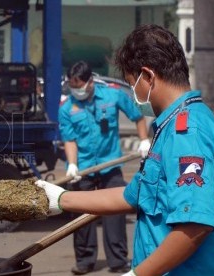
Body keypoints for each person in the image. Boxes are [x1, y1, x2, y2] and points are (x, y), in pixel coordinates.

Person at [37, 24, 214, 276]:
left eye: (132, 84)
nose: (133, 95)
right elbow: (131, 196)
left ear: (148, 76)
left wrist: (137, 274)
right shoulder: (171, 126)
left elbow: (194, 225)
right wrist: (60, 198)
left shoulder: (186, 131)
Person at [58, 60, 151, 275]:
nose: (76, 90)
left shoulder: (113, 95)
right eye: (72, 86)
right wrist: (72, 164)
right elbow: (69, 139)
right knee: (81, 217)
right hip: (84, 168)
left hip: (111, 166)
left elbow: (137, 115)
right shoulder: (67, 107)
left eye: (79, 85)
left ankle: (118, 261)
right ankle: (84, 261)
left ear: (90, 82)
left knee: (116, 214)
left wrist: (144, 140)